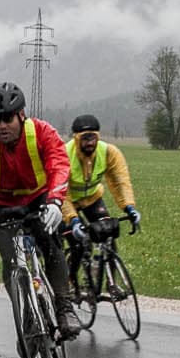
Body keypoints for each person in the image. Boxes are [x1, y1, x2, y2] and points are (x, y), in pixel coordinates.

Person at [0, 81, 79, 340]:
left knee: (52, 246)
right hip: (3, 206)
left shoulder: (42, 132)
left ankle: (64, 308)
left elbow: (59, 164)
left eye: (7, 119)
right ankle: (27, 319)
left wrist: (55, 202)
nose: (1, 126)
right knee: (11, 263)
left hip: (38, 199)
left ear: (21, 115)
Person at [61, 113, 141, 295]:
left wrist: (129, 207)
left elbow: (120, 181)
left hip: (92, 198)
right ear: (76, 138)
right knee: (79, 243)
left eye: (93, 137)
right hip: (67, 201)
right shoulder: (64, 155)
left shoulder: (109, 152)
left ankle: (111, 284)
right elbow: (61, 192)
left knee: (108, 233)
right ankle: (70, 280)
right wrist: (72, 219)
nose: (90, 143)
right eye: (85, 138)